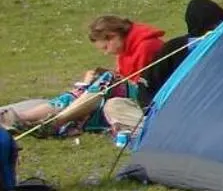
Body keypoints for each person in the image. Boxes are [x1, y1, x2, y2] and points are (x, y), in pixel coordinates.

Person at [0, 15, 167, 136]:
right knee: (93, 90)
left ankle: (43, 121)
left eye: (105, 48)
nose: (106, 53)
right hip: (136, 94)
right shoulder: (129, 47)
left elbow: (143, 81)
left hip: (149, 97)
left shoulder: (146, 46)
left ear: (112, 37)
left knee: (105, 82)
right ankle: (31, 121)